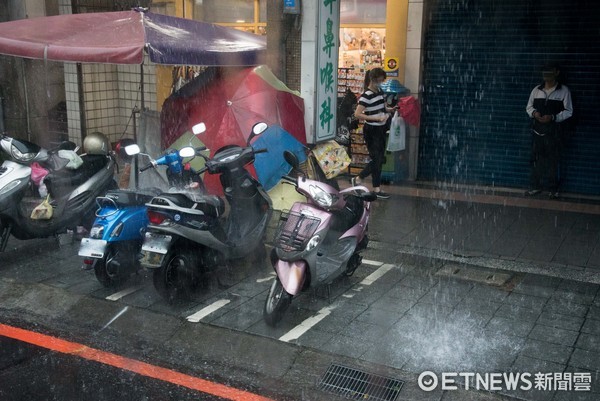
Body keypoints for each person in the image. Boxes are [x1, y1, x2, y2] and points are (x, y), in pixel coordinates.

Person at [525, 62, 573, 199]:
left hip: (554, 133)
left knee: (553, 161)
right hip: (537, 132)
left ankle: (553, 189)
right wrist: (534, 114)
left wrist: (553, 117)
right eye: (544, 72)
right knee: (536, 160)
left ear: (557, 73)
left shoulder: (564, 91)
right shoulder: (536, 90)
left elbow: (569, 111)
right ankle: (535, 187)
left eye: (549, 72)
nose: (546, 75)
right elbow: (528, 107)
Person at [351, 67, 397, 199]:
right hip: (371, 130)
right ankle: (358, 178)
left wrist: (390, 109)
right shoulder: (366, 95)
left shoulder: (380, 91)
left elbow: (382, 107)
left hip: (381, 128)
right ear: (373, 79)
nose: (381, 83)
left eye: (383, 80)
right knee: (377, 159)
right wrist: (376, 118)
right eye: (380, 80)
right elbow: (358, 114)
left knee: (379, 159)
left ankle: (377, 189)